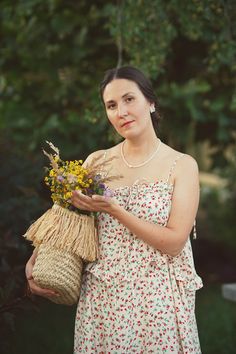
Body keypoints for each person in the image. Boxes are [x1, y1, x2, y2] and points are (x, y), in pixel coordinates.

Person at [26, 66, 203, 353]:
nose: (121, 111)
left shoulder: (182, 165)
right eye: (111, 105)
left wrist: (116, 211)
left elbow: (174, 242)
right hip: (103, 301)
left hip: (158, 305)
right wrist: (35, 260)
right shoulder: (97, 162)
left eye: (129, 99)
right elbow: (65, 222)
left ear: (151, 102)